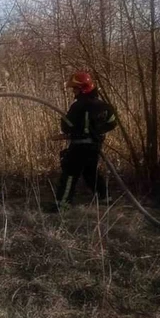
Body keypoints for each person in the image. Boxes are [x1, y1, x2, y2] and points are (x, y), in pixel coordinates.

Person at [51, 71, 118, 212]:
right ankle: (105, 198)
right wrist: (98, 131)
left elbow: (67, 127)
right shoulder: (104, 106)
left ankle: (62, 205)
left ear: (82, 89)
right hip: (94, 146)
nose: (73, 91)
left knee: (70, 174)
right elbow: (112, 123)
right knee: (90, 173)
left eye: (75, 88)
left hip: (78, 146)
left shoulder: (77, 106)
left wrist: (70, 124)